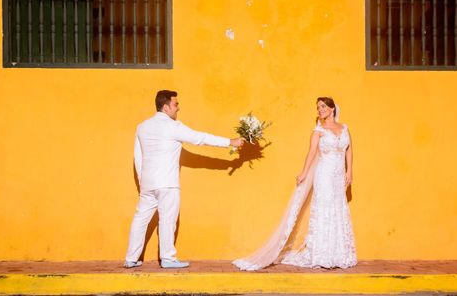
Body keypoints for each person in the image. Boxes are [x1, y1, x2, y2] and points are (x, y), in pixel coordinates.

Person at [233, 96, 357, 270]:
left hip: (338, 177)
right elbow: (311, 153)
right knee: (324, 210)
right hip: (324, 175)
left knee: (338, 209)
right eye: (318, 107)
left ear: (332, 108)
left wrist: (349, 171)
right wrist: (304, 173)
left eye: (322, 106)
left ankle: (338, 253)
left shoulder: (344, 128)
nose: (319, 110)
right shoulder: (318, 131)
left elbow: (349, 150)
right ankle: (322, 254)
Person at [125, 90, 244, 269]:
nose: (178, 108)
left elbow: (138, 157)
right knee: (167, 220)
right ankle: (168, 259)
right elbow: (200, 138)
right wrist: (230, 142)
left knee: (140, 219)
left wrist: (143, 181)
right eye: (176, 104)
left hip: (148, 183)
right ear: (166, 107)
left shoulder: (142, 126)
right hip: (167, 183)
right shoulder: (174, 127)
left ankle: (130, 259)